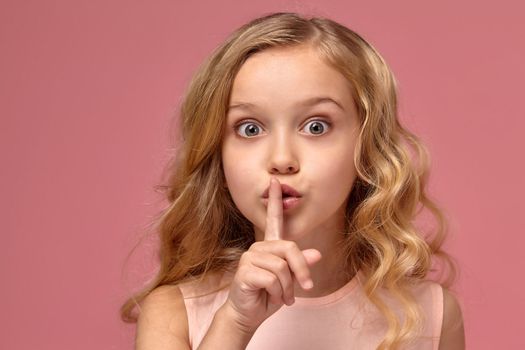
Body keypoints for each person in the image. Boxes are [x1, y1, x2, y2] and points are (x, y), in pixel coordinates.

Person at [120, 12, 465, 349]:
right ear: (218, 155)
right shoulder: (173, 313)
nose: (282, 159)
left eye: (316, 126)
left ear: (367, 146)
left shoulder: (430, 317)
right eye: (249, 128)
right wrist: (235, 323)